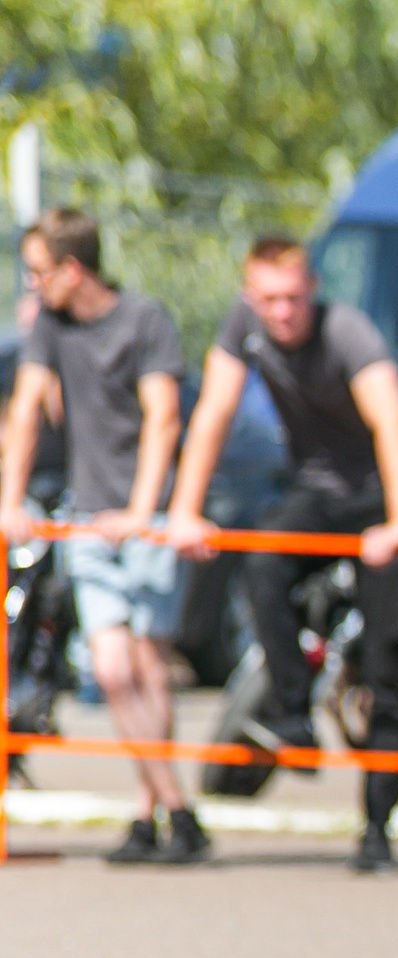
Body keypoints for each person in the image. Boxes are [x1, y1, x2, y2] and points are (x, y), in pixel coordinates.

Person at [165, 236, 398, 872]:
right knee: (262, 564)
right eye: (270, 301)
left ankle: (376, 830)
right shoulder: (243, 327)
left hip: (383, 493)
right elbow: (213, 415)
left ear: (313, 291)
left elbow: (393, 424)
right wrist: (183, 509)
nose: (283, 313)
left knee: (389, 661)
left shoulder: (347, 333)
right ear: (251, 298)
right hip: (319, 489)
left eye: (294, 299)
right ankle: (291, 714)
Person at [0, 208, 207, 864]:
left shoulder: (143, 319)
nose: (31, 285)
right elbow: (27, 412)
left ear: (72, 268)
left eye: (37, 272)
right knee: (114, 670)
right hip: (89, 513)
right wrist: (10, 502)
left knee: (148, 666)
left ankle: (149, 816)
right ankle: (180, 807)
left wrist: (142, 511)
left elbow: (164, 418)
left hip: (145, 516)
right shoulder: (52, 329)